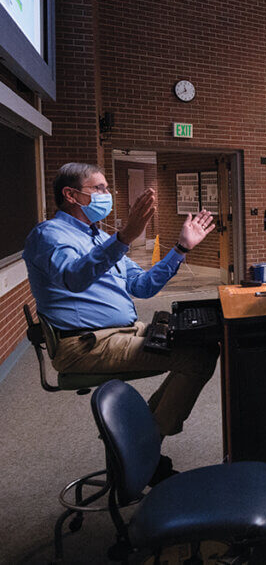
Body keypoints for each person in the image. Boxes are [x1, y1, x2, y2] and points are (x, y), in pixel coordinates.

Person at [22, 163, 218, 447]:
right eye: (98, 188)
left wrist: (181, 249)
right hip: (85, 344)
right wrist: (124, 238)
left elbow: (142, 286)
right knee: (195, 358)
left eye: (106, 188)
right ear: (71, 194)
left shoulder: (101, 238)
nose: (107, 195)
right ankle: (147, 444)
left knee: (204, 343)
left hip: (126, 331)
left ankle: (142, 435)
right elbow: (74, 278)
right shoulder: (49, 236)